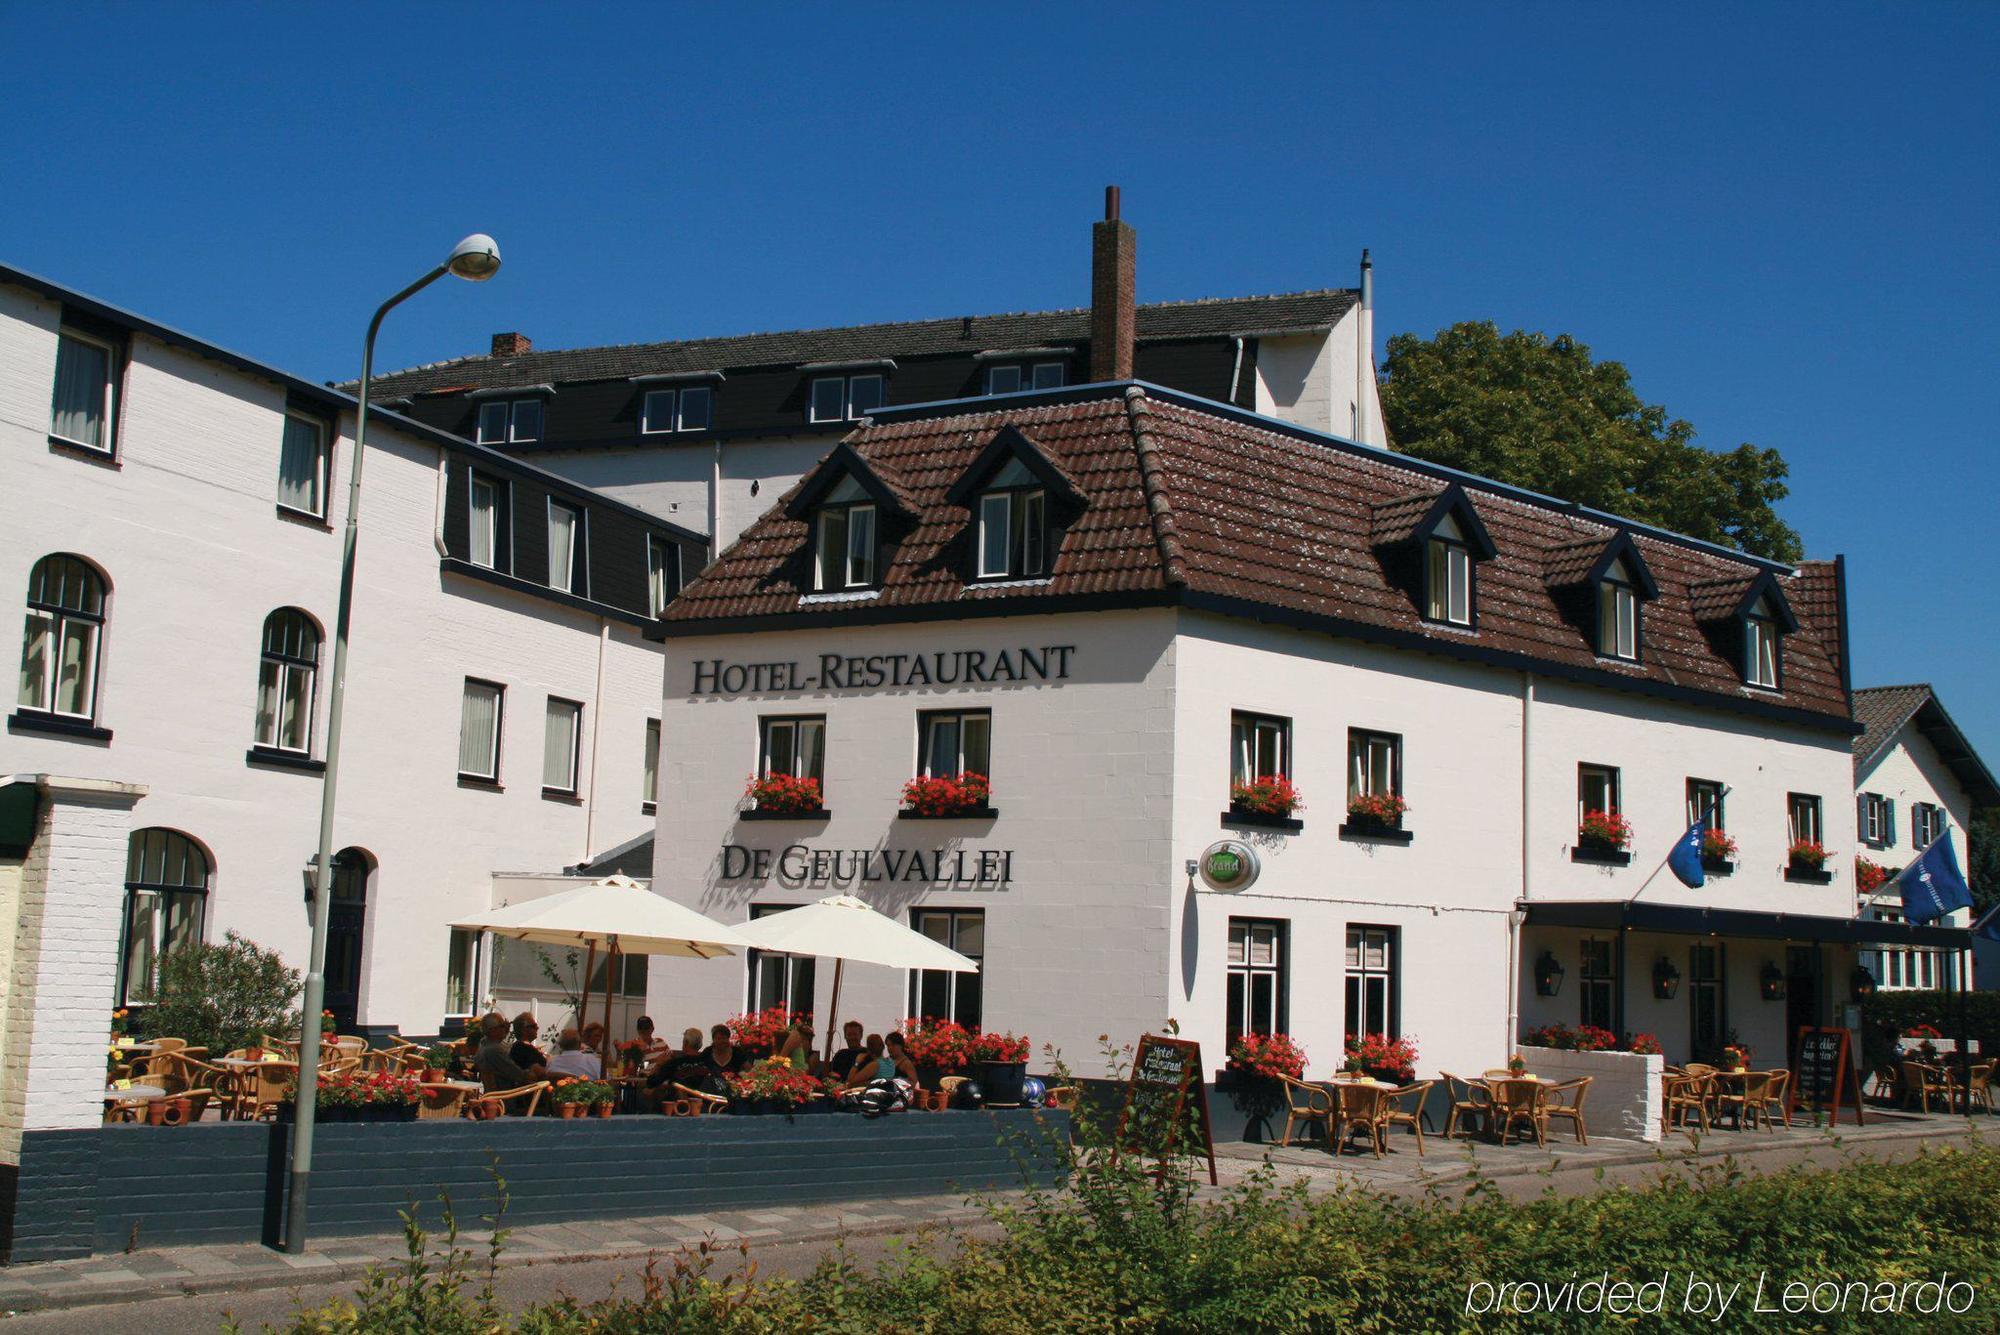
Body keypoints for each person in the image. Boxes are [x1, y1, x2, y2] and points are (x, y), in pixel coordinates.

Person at [474, 1013, 541, 1111]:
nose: (506, 1028)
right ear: (492, 1030)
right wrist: (532, 1072)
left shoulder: (483, 1045)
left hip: (493, 1096)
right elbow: (518, 1074)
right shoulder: (494, 1050)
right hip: (506, 1100)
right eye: (502, 1026)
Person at [645, 1027, 711, 1107]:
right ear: (700, 1045)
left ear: (686, 1043)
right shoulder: (708, 1063)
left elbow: (651, 1083)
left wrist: (659, 1064)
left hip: (678, 1108)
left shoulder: (674, 1063)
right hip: (704, 1106)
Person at [509, 1013, 548, 1079]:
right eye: (534, 1026)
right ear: (524, 1030)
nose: (537, 1028)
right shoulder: (521, 1048)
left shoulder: (524, 1047)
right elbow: (540, 1072)